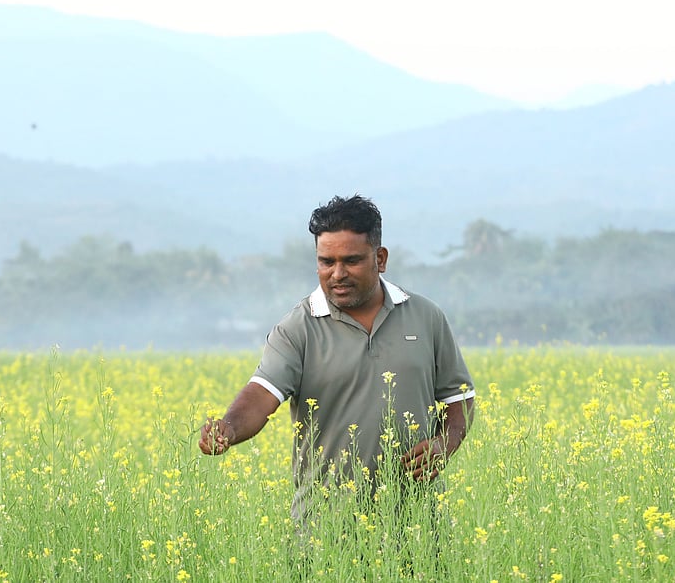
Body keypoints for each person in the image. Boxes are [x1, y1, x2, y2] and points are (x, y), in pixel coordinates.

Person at [198, 194, 476, 524]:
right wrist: (228, 428)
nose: (337, 273)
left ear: (380, 259)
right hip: (325, 529)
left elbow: (459, 398)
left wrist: (446, 442)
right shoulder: (297, 328)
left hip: (419, 524)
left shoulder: (426, 317)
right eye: (326, 262)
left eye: (351, 261)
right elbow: (261, 394)